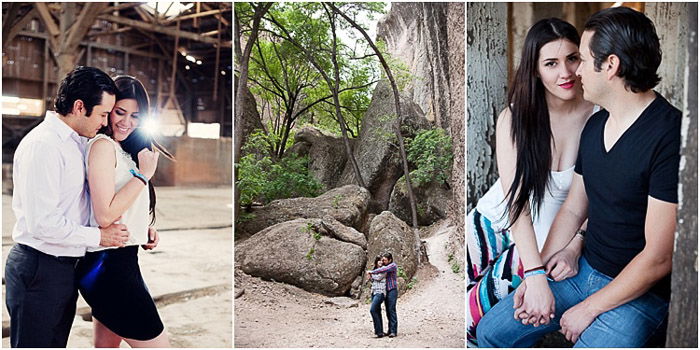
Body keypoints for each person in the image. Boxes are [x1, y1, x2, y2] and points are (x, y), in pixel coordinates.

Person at [477, 7, 681, 347]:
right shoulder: (597, 125)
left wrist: (588, 309)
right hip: (582, 269)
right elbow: (574, 207)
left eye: (581, 59)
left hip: (639, 292)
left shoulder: (670, 135)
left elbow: (658, 258)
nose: (576, 71)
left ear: (611, 65)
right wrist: (537, 274)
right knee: (491, 334)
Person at [466, 18, 596, 346]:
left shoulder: (600, 114)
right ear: (535, 69)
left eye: (571, 58)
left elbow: (604, 195)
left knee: (477, 317)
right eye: (550, 63)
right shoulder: (516, 117)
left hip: (545, 240)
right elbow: (517, 203)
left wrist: (564, 251)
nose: (564, 72)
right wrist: (535, 276)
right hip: (494, 222)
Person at [4, 66, 131, 348]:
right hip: (40, 267)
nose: (104, 122)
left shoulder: (76, 143)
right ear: (78, 106)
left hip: (62, 268)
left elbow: (82, 204)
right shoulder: (45, 146)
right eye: (101, 114)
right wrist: (99, 237)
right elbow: (44, 223)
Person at [75, 75, 173, 347]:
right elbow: (105, 215)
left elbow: (121, 201)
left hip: (121, 263)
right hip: (107, 267)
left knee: (105, 347)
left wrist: (143, 227)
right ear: (108, 110)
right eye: (119, 112)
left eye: (135, 115)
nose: (126, 121)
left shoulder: (124, 150)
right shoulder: (103, 146)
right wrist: (143, 176)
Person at [367, 252, 398, 337]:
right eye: (382, 260)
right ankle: (387, 330)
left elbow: (382, 271)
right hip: (386, 290)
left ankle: (393, 331)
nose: (383, 261)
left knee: (391, 310)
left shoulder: (392, 266)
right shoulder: (384, 267)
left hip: (392, 289)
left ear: (390, 260)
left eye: (384, 260)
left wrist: (371, 272)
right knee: (387, 310)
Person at [368, 255, 387, 338]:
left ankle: (379, 331)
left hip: (380, 292)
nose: (380, 262)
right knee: (377, 311)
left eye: (381, 260)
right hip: (374, 292)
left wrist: (371, 274)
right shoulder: (374, 270)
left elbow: (379, 278)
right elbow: (372, 280)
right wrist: (371, 275)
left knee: (372, 310)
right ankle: (379, 332)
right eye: (378, 260)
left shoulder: (384, 270)